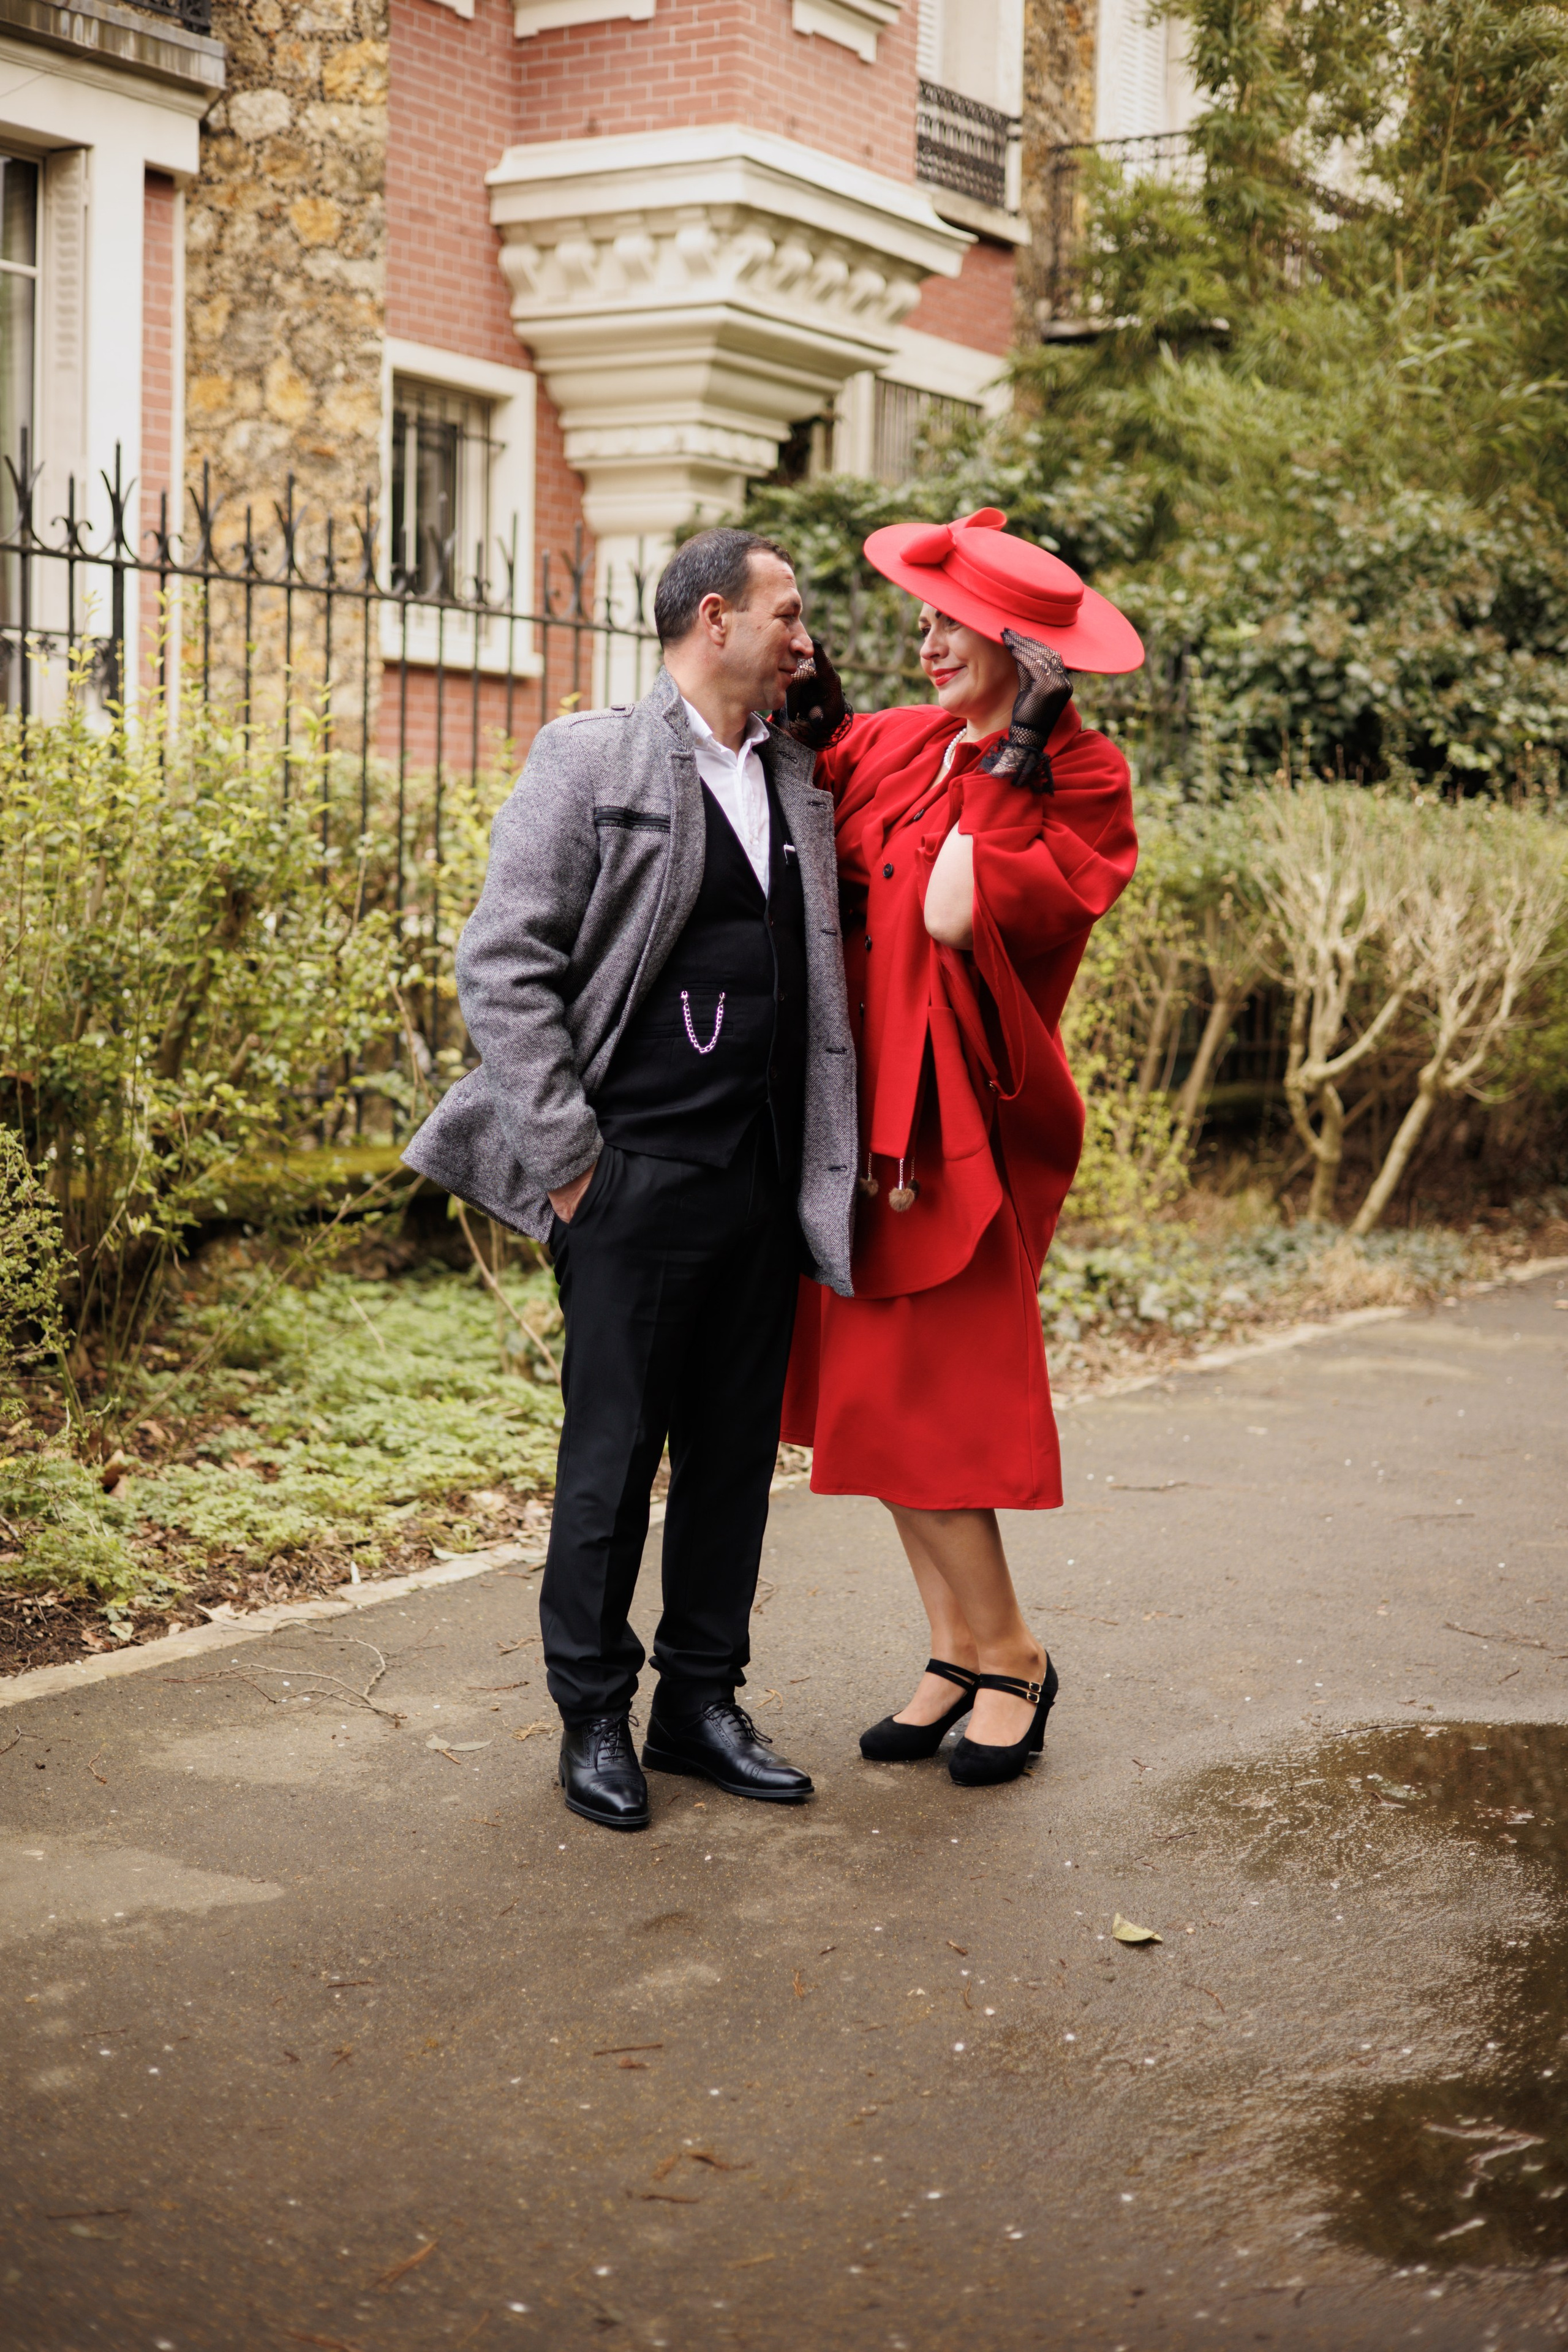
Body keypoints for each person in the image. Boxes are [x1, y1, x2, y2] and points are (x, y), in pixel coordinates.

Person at [403, 528, 858, 1831]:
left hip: (760, 1181)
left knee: (733, 1462)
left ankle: (699, 1704)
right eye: (786, 612)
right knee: (611, 1461)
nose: (805, 635)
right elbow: (503, 960)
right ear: (713, 618)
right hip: (630, 1180)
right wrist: (569, 1168)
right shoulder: (590, 757)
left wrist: (825, 717)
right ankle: (593, 1715)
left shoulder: (796, 774)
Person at [781, 508, 1142, 1787]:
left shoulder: (1083, 780)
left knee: (927, 1403)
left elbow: (948, 910)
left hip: (953, 1131)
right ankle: (954, 1648)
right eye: (923, 621)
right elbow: (798, 789)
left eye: (952, 626)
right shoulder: (900, 740)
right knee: (871, 1404)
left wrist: (1015, 755)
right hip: (853, 1120)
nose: (926, 644)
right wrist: (800, 692)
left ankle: (1016, 1656)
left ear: (1023, 654)